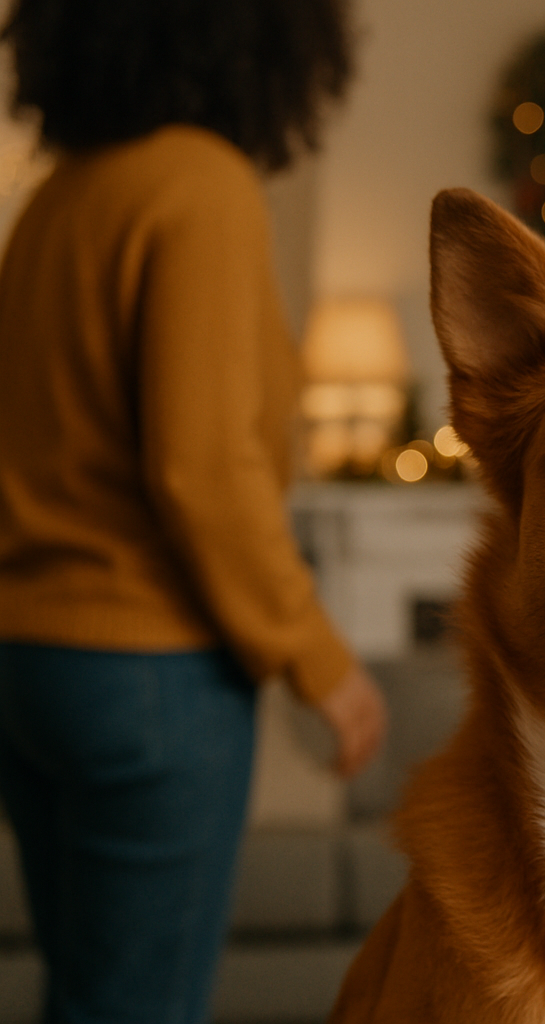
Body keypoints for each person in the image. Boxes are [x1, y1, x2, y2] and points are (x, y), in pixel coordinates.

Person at [0, 2, 387, 1020]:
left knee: (86, 994)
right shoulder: (202, 186)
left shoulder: (56, 199)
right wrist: (322, 665)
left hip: (29, 660)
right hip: (149, 676)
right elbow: (202, 469)